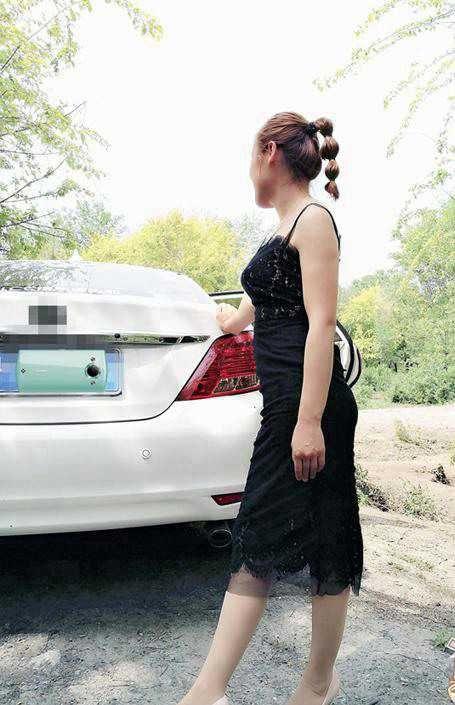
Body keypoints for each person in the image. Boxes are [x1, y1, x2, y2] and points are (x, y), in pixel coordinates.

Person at [177, 111, 364, 705]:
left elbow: (322, 324)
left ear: (269, 153)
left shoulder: (314, 220)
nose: (247, 171)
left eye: (249, 158)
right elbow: (258, 306)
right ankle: (217, 689)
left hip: (311, 409)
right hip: (286, 406)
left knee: (314, 535)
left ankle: (302, 684)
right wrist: (226, 320)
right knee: (264, 533)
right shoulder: (281, 232)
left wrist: (308, 422)